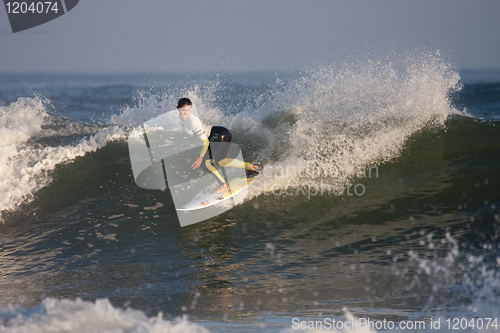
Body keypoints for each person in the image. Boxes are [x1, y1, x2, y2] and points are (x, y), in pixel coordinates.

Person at [177, 98, 259, 193]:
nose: (185, 113)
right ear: (177, 108)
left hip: (218, 135)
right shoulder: (181, 119)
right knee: (221, 162)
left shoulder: (193, 122)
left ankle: (223, 185)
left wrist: (200, 157)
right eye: (183, 110)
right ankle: (250, 167)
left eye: (188, 110)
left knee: (203, 162)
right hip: (223, 132)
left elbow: (206, 142)